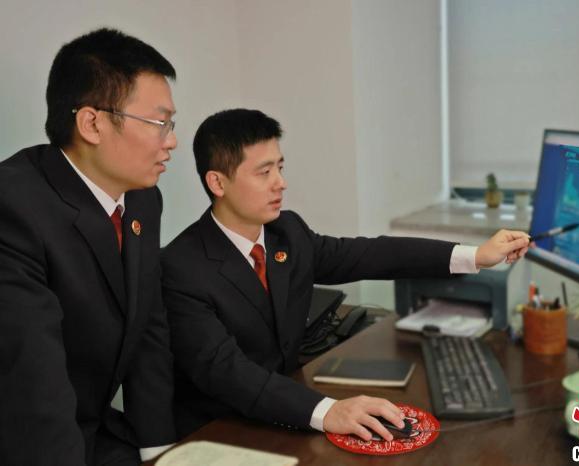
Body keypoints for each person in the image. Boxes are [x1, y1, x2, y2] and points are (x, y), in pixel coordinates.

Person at [161, 108, 529, 442]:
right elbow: (228, 373)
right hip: (219, 431)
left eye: (280, 167)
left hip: (286, 412)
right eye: (264, 172)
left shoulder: (287, 232)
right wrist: (328, 411)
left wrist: (476, 256)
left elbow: (373, 255)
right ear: (218, 183)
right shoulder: (181, 267)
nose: (280, 183)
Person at [0, 29, 178, 466]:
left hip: (98, 432)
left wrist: (159, 452)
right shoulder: (13, 206)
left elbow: (149, 330)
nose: (171, 141)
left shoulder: (143, 199)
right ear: (92, 124)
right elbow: (32, 382)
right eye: (159, 124)